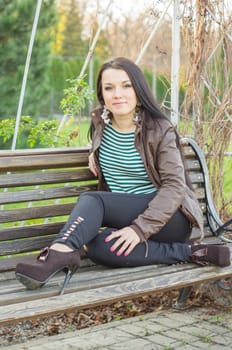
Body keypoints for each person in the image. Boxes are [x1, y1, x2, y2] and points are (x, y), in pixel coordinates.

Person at [15, 57, 230, 294]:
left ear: (138, 88)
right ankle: (191, 252)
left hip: (168, 217)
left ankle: (58, 254)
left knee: (92, 200)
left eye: (126, 85)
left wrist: (139, 229)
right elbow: (115, 149)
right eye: (109, 88)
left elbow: (174, 187)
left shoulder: (159, 129)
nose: (118, 94)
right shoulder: (101, 125)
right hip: (128, 217)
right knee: (98, 246)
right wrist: (93, 153)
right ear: (102, 93)